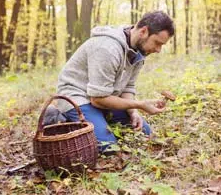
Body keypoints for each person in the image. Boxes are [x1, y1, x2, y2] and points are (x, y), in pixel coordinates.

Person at [56, 11, 175, 152]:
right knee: (108, 147)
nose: (158, 50)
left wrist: (133, 112)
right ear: (143, 31)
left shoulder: (139, 51)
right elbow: (98, 99)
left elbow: (128, 87)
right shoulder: (107, 49)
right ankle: (63, 120)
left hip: (103, 97)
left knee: (144, 132)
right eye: (157, 43)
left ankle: (98, 120)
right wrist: (140, 104)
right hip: (77, 97)